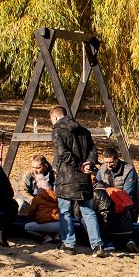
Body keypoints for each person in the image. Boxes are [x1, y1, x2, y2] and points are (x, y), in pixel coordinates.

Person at [50, 105, 109, 257]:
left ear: (55, 117)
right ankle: (97, 245)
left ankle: (69, 244)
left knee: (65, 211)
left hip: (66, 178)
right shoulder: (84, 131)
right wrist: (89, 163)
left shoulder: (57, 131)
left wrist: (79, 166)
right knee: (88, 211)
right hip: (83, 179)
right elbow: (93, 150)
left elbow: (62, 153)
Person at [96, 146, 139, 221]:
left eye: (111, 162)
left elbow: (127, 194)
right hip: (107, 205)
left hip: (127, 206)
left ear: (117, 159)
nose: (108, 165)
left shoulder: (129, 170)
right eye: (106, 162)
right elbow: (97, 185)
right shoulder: (102, 168)